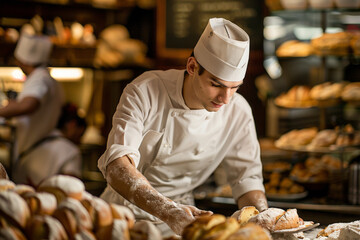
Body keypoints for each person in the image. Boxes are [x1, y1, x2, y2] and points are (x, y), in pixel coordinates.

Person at [98, 17, 268, 237]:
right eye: (216, 84)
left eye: (234, 87)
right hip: (123, 218)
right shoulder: (145, 91)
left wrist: (264, 221)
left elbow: (247, 179)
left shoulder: (239, 111)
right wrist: (169, 211)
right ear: (192, 66)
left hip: (185, 222)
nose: (225, 98)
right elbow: (117, 167)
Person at [0, 34, 64, 178]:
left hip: (37, 152)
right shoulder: (46, 78)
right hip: (36, 149)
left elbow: (28, 105)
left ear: (23, 60)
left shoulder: (39, 78)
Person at [12, 103, 87, 186]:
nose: (80, 140)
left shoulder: (37, 139)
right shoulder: (72, 151)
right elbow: (71, 186)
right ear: (71, 125)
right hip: (48, 196)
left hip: (16, 189)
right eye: (80, 134)